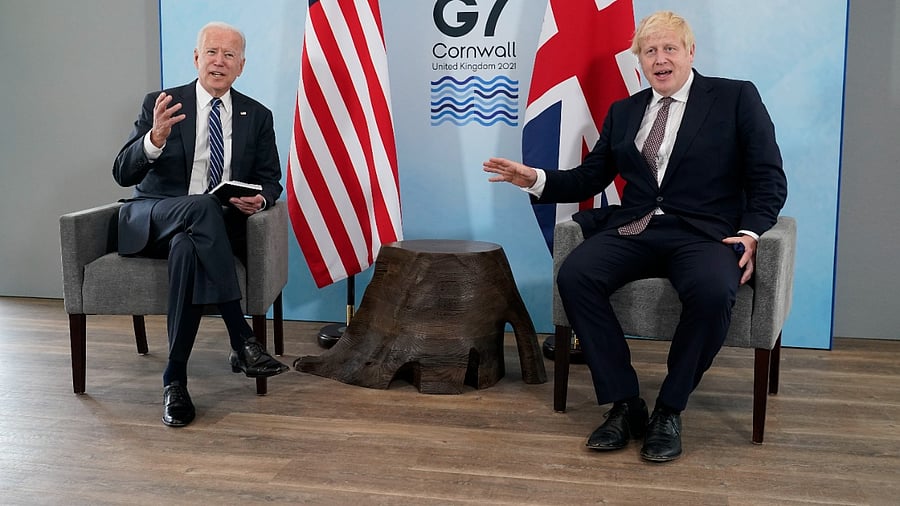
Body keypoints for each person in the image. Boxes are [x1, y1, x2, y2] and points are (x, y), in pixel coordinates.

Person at [483, 11, 787, 462]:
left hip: (705, 235)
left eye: (669, 48)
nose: (660, 59)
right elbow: (589, 178)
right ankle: (625, 404)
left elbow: (768, 180)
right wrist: (534, 178)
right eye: (650, 51)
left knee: (712, 291)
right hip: (637, 227)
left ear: (689, 52)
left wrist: (749, 233)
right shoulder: (625, 112)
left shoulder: (735, 98)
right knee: (576, 275)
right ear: (639, 60)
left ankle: (669, 408)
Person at [113, 21, 289, 428]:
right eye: (212, 52)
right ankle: (242, 338)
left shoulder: (257, 115)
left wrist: (260, 198)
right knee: (199, 207)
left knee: (190, 245)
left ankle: (174, 380)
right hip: (152, 217)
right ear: (196, 58)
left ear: (241, 66)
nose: (219, 61)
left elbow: (271, 178)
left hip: (206, 233)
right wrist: (154, 139)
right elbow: (122, 173)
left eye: (229, 55)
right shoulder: (162, 104)